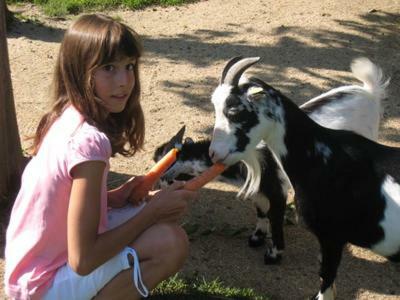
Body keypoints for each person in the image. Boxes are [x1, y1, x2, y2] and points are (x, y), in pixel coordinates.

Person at [4, 13, 197, 300]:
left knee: (153, 222)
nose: (124, 81)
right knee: (169, 241)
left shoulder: (66, 117)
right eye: (109, 67)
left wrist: (116, 197)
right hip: (41, 288)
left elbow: (62, 204)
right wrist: (151, 212)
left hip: (27, 276)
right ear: (80, 71)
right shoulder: (89, 144)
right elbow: (83, 260)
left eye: (129, 66)